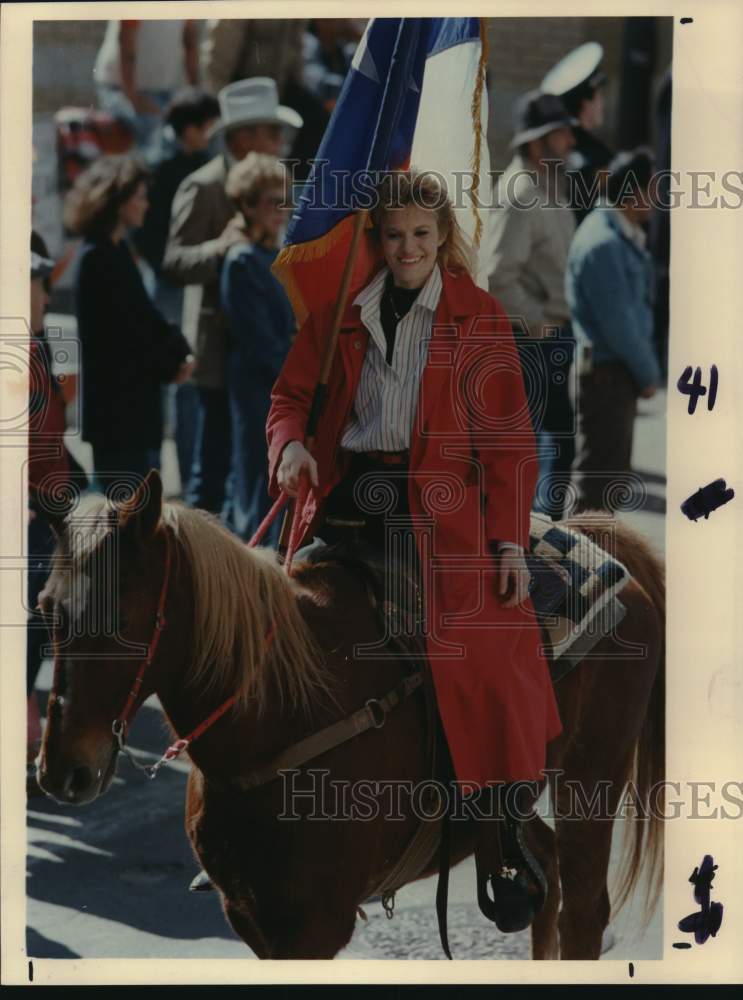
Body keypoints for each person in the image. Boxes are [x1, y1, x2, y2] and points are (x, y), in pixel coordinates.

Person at [266, 170, 562, 932]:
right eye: (394, 236)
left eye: (421, 237)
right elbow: (288, 398)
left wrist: (504, 541)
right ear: (377, 238)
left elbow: (506, 443)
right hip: (345, 502)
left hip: (442, 519)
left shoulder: (479, 319)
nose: (407, 249)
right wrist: (291, 447)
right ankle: (256, 816)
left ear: (442, 239)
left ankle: (503, 832)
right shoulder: (339, 314)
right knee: (269, 636)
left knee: (491, 654)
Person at [163, 78, 302, 515]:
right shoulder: (202, 186)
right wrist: (220, 248)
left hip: (256, 345)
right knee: (215, 464)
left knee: (248, 467)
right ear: (244, 136)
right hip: (218, 349)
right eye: (273, 133)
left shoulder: (273, 183)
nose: (281, 142)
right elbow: (174, 261)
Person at [64, 155, 194, 489]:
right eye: (139, 196)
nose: (146, 204)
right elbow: (127, 337)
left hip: (132, 411)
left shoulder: (116, 250)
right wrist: (172, 361)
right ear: (119, 201)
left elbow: (146, 319)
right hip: (118, 416)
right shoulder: (99, 258)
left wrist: (177, 354)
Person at [486, 91, 577, 520]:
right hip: (531, 343)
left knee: (557, 445)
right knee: (541, 450)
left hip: (551, 337)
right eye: (559, 135)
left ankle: (541, 536)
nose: (569, 143)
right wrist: (539, 324)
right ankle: (534, 543)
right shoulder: (521, 193)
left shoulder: (547, 185)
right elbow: (497, 277)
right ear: (536, 143)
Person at [565, 148, 661, 513]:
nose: (656, 198)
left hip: (612, 374)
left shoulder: (617, 233)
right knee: (595, 487)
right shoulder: (603, 243)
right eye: (652, 188)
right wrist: (649, 374)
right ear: (633, 192)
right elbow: (620, 323)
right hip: (607, 376)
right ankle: (571, 566)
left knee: (606, 482)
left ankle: (590, 563)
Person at [135, 87, 220, 494]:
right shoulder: (162, 167)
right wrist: (167, 269)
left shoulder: (194, 162)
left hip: (184, 280)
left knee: (187, 379)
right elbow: (149, 232)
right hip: (168, 284)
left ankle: (188, 476)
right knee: (171, 372)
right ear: (189, 129)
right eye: (206, 127)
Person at [26, 242, 88, 787]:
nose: (44, 294)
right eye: (36, 282)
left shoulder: (44, 343)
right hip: (25, 519)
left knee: (35, 630)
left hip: (46, 510)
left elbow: (60, 429)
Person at [221, 154, 295, 544]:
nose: (281, 211)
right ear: (248, 205)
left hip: (279, 382)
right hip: (257, 386)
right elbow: (258, 340)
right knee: (254, 474)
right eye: (271, 202)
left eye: (285, 200)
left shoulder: (276, 255)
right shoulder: (242, 261)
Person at [93, 19, 199, 158]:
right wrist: (134, 98)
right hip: (122, 87)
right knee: (153, 147)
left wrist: (194, 94)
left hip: (164, 89)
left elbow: (190, 40)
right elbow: (126, 41)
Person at [540, 42, 613, 224]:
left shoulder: (554, 150)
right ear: (585, 103)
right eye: (598, 96)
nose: (602, 103)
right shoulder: (593, 159)